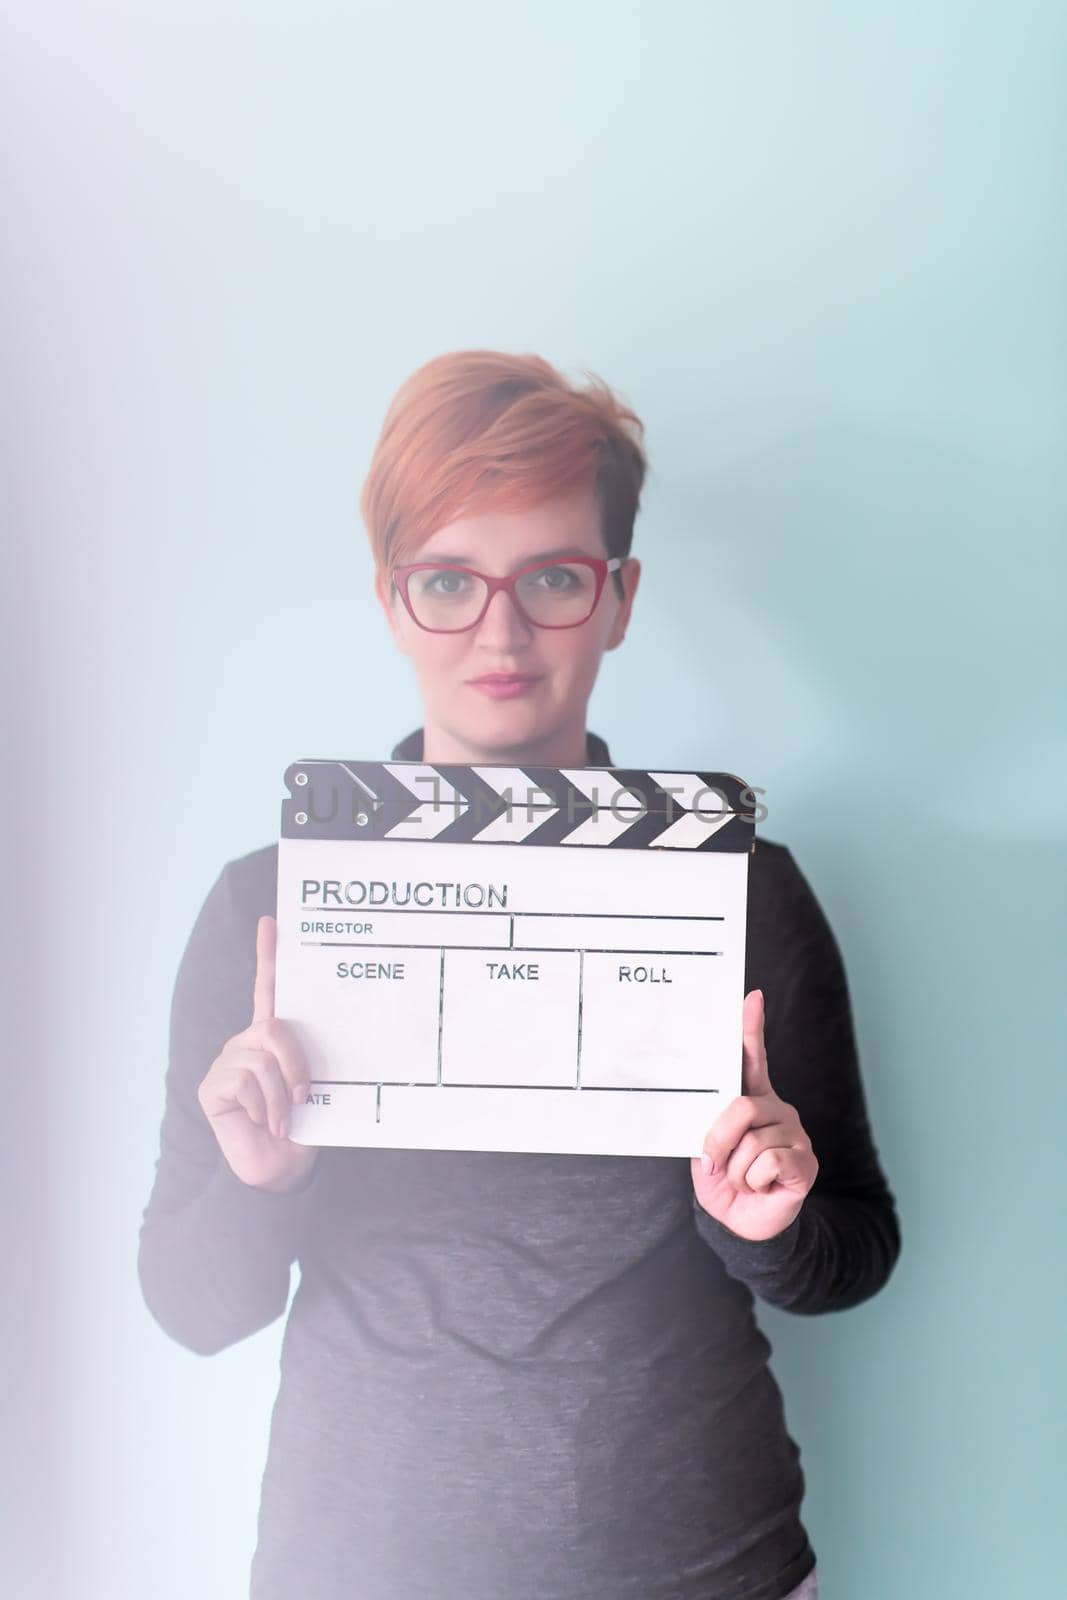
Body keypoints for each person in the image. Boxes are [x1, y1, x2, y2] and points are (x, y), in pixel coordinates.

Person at [138, 350, 900, 1600]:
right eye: (448, 579)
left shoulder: (738, 887)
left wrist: (761, 1223)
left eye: (551, 577)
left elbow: (853, 1249)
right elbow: (188, 1300)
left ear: (617, 597)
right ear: (392, 599)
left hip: (704, 1568)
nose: (499, 630)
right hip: (360, 1569)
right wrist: (260, 1178)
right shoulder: (268, 908)